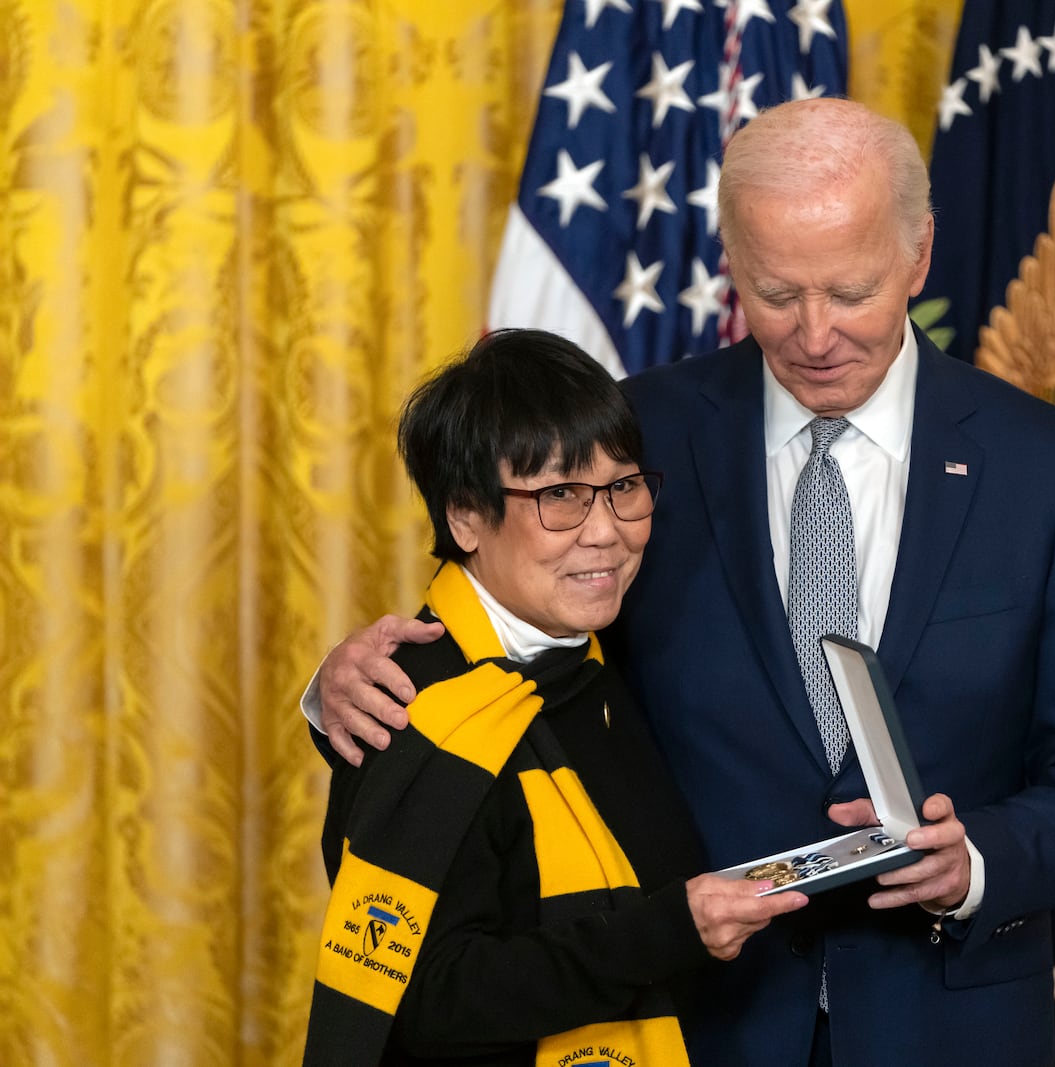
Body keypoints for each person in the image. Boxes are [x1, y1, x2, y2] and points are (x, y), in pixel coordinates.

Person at [309, 99, 1055, 1066]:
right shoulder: (637, 441)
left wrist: (975, 862)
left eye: (849, 291)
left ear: (918, 256)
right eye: (775, 293)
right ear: (731, 265)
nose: (813, 333)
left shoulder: (1040, 468)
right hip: (692, 1021)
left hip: (951, 1024)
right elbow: (524, 648)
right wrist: (341, 691)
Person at [303, 329, 805, 1066]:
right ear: (465, 515)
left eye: (623, 486)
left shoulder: (594, 657)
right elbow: (428, 999)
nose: (605, 532)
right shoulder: (417, 711)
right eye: (560, 495)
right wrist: (668, 932)